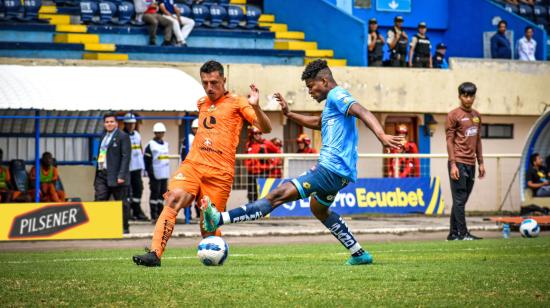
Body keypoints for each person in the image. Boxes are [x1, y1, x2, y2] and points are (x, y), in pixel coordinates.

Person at [201, 60, 403, 265]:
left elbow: (362, 110)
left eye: (311, 86)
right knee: (319, 209)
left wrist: (381, 136)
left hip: (330, 169)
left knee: (277, 195)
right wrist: (289, 114)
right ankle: (359, 254)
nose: (310, 92)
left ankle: (218, 219)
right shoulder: (332, 105)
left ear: (324, 81)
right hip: (339, 174)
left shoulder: (337, 95)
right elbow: (317, 122)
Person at [132, 60, 272, 267]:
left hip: (219, 173)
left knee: (209, 224)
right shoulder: (202, 103)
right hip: (193, 165)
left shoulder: (238, 102)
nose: (209, 87)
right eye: (205, 82)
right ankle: (155, 254)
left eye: (214, 82)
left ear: (224, 80)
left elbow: (266, 128)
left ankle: (213, 255)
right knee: (174, 198)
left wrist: (256, 107)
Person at [445, 82, 485, 241]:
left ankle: (453, 234)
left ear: (474, 96)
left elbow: (478, 140)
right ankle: (463, 233)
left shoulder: (476, 115)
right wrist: (453, 164)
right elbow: (449, 141)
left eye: (471, 96)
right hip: (458, 162)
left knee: (461, 200)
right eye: (465, 96)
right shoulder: (453, 115)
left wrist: (481, 162)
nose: (468, 99)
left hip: (471, 163)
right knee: (460, 199)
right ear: (459, 96)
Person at [94, 113, 132, 234]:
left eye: (111, 122)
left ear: (116, 123)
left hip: (117, 176)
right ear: (104, 124)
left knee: (122, 203)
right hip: (102, 174)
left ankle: (124, 228)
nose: (109, 124)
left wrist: (121, 175)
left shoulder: (123, 136)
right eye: (107, 122)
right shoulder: (103, 136)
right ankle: (101, 227)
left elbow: (126, 157)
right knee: (100, 199)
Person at [244, 127, 281, 202]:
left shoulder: (266, 143)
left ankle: (263, 212)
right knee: (251, 196)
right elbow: (246, 160)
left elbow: (278, 151)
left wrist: (273, 164)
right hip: (251, 174)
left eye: (260, 133)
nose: (258, 135)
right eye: (256, 133)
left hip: (263, 173)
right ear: (252, 135)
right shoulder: (248, 145)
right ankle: (252, 212)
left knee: (263, 195)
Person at [123, 113, 148, 221]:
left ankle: (137, 210)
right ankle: (128, 212)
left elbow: (140, 149)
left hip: (137, 166)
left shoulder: (137, 134)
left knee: (138, 188)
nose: (131, 126)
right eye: (128, 124)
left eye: (132, 124)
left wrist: (143, 166)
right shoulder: (123, 135)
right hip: (127, 168)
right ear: (125, 124)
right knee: (127, 190)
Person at [144, 122, 170, 223]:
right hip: (155, 174)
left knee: (162, 196)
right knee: (154, 195)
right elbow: (147, 160)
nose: (160, 134)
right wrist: (150, 173)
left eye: (162, 132)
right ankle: (153, 216)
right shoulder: (150, 145)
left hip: (164, 174)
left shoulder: (166, 144)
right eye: (158, 132)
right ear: (155, 133)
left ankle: (161, 214)